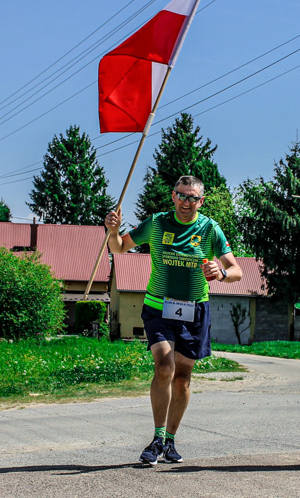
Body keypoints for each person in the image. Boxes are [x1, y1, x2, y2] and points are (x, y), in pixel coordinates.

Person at [105, 175, 242, 466]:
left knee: (181, 380)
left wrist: (221, 273)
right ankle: (155, 438)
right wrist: (113, 231)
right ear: (173, 195)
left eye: (193, 197)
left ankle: (170, 440)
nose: (186, 202)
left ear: (201, 201)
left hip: (194, 312)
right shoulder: (156, 223)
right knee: (164, 367)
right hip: (158, 308)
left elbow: (236, 270)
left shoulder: (209, 229)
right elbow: (118, 248)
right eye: (182, 195)